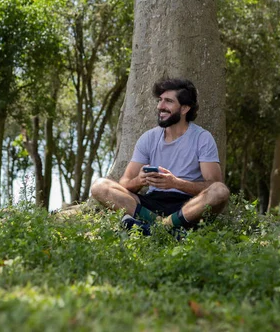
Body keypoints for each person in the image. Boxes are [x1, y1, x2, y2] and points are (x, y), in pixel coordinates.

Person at [91, 77, 229, 235]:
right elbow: (125, 183)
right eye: (160, 100)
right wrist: (140, 180)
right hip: (151, 202)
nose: (160, 106)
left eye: (168, 101)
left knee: (220, 191)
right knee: (100, 186)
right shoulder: (148, 138)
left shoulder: (202, 138)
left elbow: (213, 184)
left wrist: (175, 183)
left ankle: (155, 227)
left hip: (187, 205)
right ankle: (165, 227)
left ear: (184, 109)